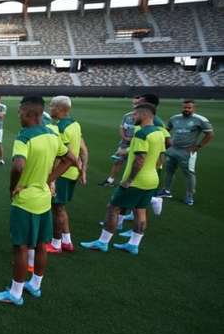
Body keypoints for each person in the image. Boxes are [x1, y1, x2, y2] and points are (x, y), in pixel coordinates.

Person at [0, 96, 76, 306]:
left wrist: (13, 187)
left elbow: (18, 165)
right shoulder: (51, 134)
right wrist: (49, 180)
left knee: (20, 247)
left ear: (29, 113)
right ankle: (35, 285)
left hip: (26, 200)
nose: (18, 115)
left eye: (20, 111)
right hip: (44, 199)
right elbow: (71, 159)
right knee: (39, 245)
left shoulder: (24, 137)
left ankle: (15, 293)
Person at [81, 103, 165, 255]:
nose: (133, 117)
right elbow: (160, 156)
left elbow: (140, 159)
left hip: (137, 181)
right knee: (140, 210)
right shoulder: (159, 132)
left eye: (135, 114)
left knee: (113, 208)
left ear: (144, 115)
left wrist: (129, 180)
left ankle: (103, 242)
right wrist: (126, 152)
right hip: (152, 179)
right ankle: (133, 244)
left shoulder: (142, 134)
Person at [47, 96, 88, 254]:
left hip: (62, 174)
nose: (50, 109)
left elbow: (61, 156)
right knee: (60, 207)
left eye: (52, 106)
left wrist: (52, 179)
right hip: (71, 173)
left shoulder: (62, 128)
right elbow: (83, 149)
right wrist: (83, 170)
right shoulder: (75, 124)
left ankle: (56, 243)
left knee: (56, 208)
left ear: (59, 109)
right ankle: (66, 241)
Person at [157, 100, 214, 206]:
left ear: (194, 109)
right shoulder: (174, 118)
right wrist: (165, 143)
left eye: (189, 108)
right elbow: (166, 131)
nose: (186, 109)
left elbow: (210, 134)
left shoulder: (200, 120)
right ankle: (166, 190)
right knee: (169, 170)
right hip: (173, 149)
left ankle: (189, 196)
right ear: (181, 108)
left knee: (189, 174)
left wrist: (198, 146)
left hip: (187, 151)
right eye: (184, 107)